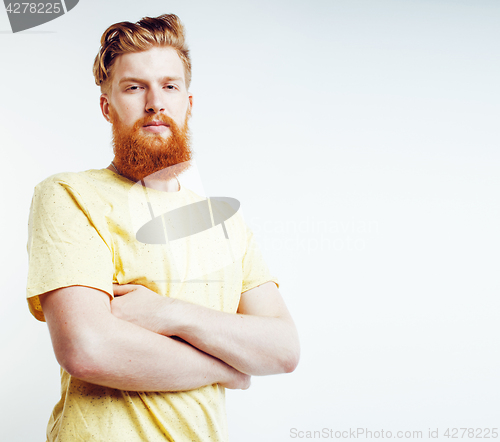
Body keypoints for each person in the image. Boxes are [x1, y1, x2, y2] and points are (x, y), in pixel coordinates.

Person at [26, 13, 300, 442]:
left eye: (170, 86)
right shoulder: (70, 195)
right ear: (106, 106)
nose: (155, 101)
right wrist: (228, 367)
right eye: (134, 87)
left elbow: (282, 348)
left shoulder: (224, 223)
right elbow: (88, 348)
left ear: (188, 103)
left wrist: (166, 313)